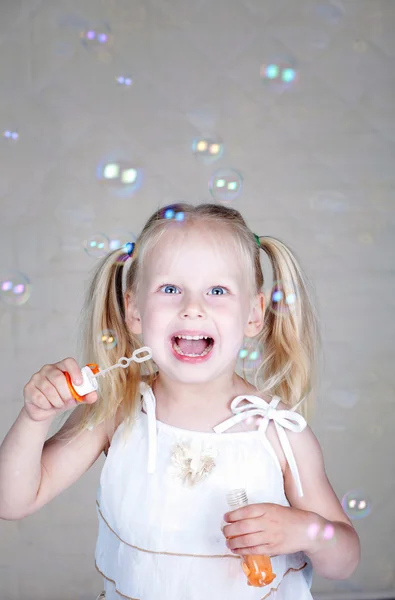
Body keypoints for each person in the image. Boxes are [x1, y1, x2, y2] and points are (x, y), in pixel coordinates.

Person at [0, 203, 360, 600]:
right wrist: (35, 416)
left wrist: (305, 530)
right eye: (170, 289)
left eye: (218, 290)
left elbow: (343, 562)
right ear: (134, 311)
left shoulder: (277, 432)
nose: (193, 307)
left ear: (255, 314)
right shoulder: (118, 411)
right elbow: (13, 501)